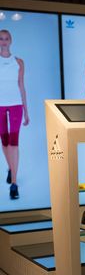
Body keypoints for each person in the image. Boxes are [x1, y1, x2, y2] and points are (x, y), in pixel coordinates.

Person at [0, 29, 29, 199]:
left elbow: (22, 86)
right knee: (4, 141)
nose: (3, 41)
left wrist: (26, 111)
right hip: (0, 106)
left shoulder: (18, 62)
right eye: (1, 39)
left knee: (14, 142)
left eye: (6, 39)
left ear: (11, 41)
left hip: (16, 105)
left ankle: (14, 183)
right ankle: (11, 167)